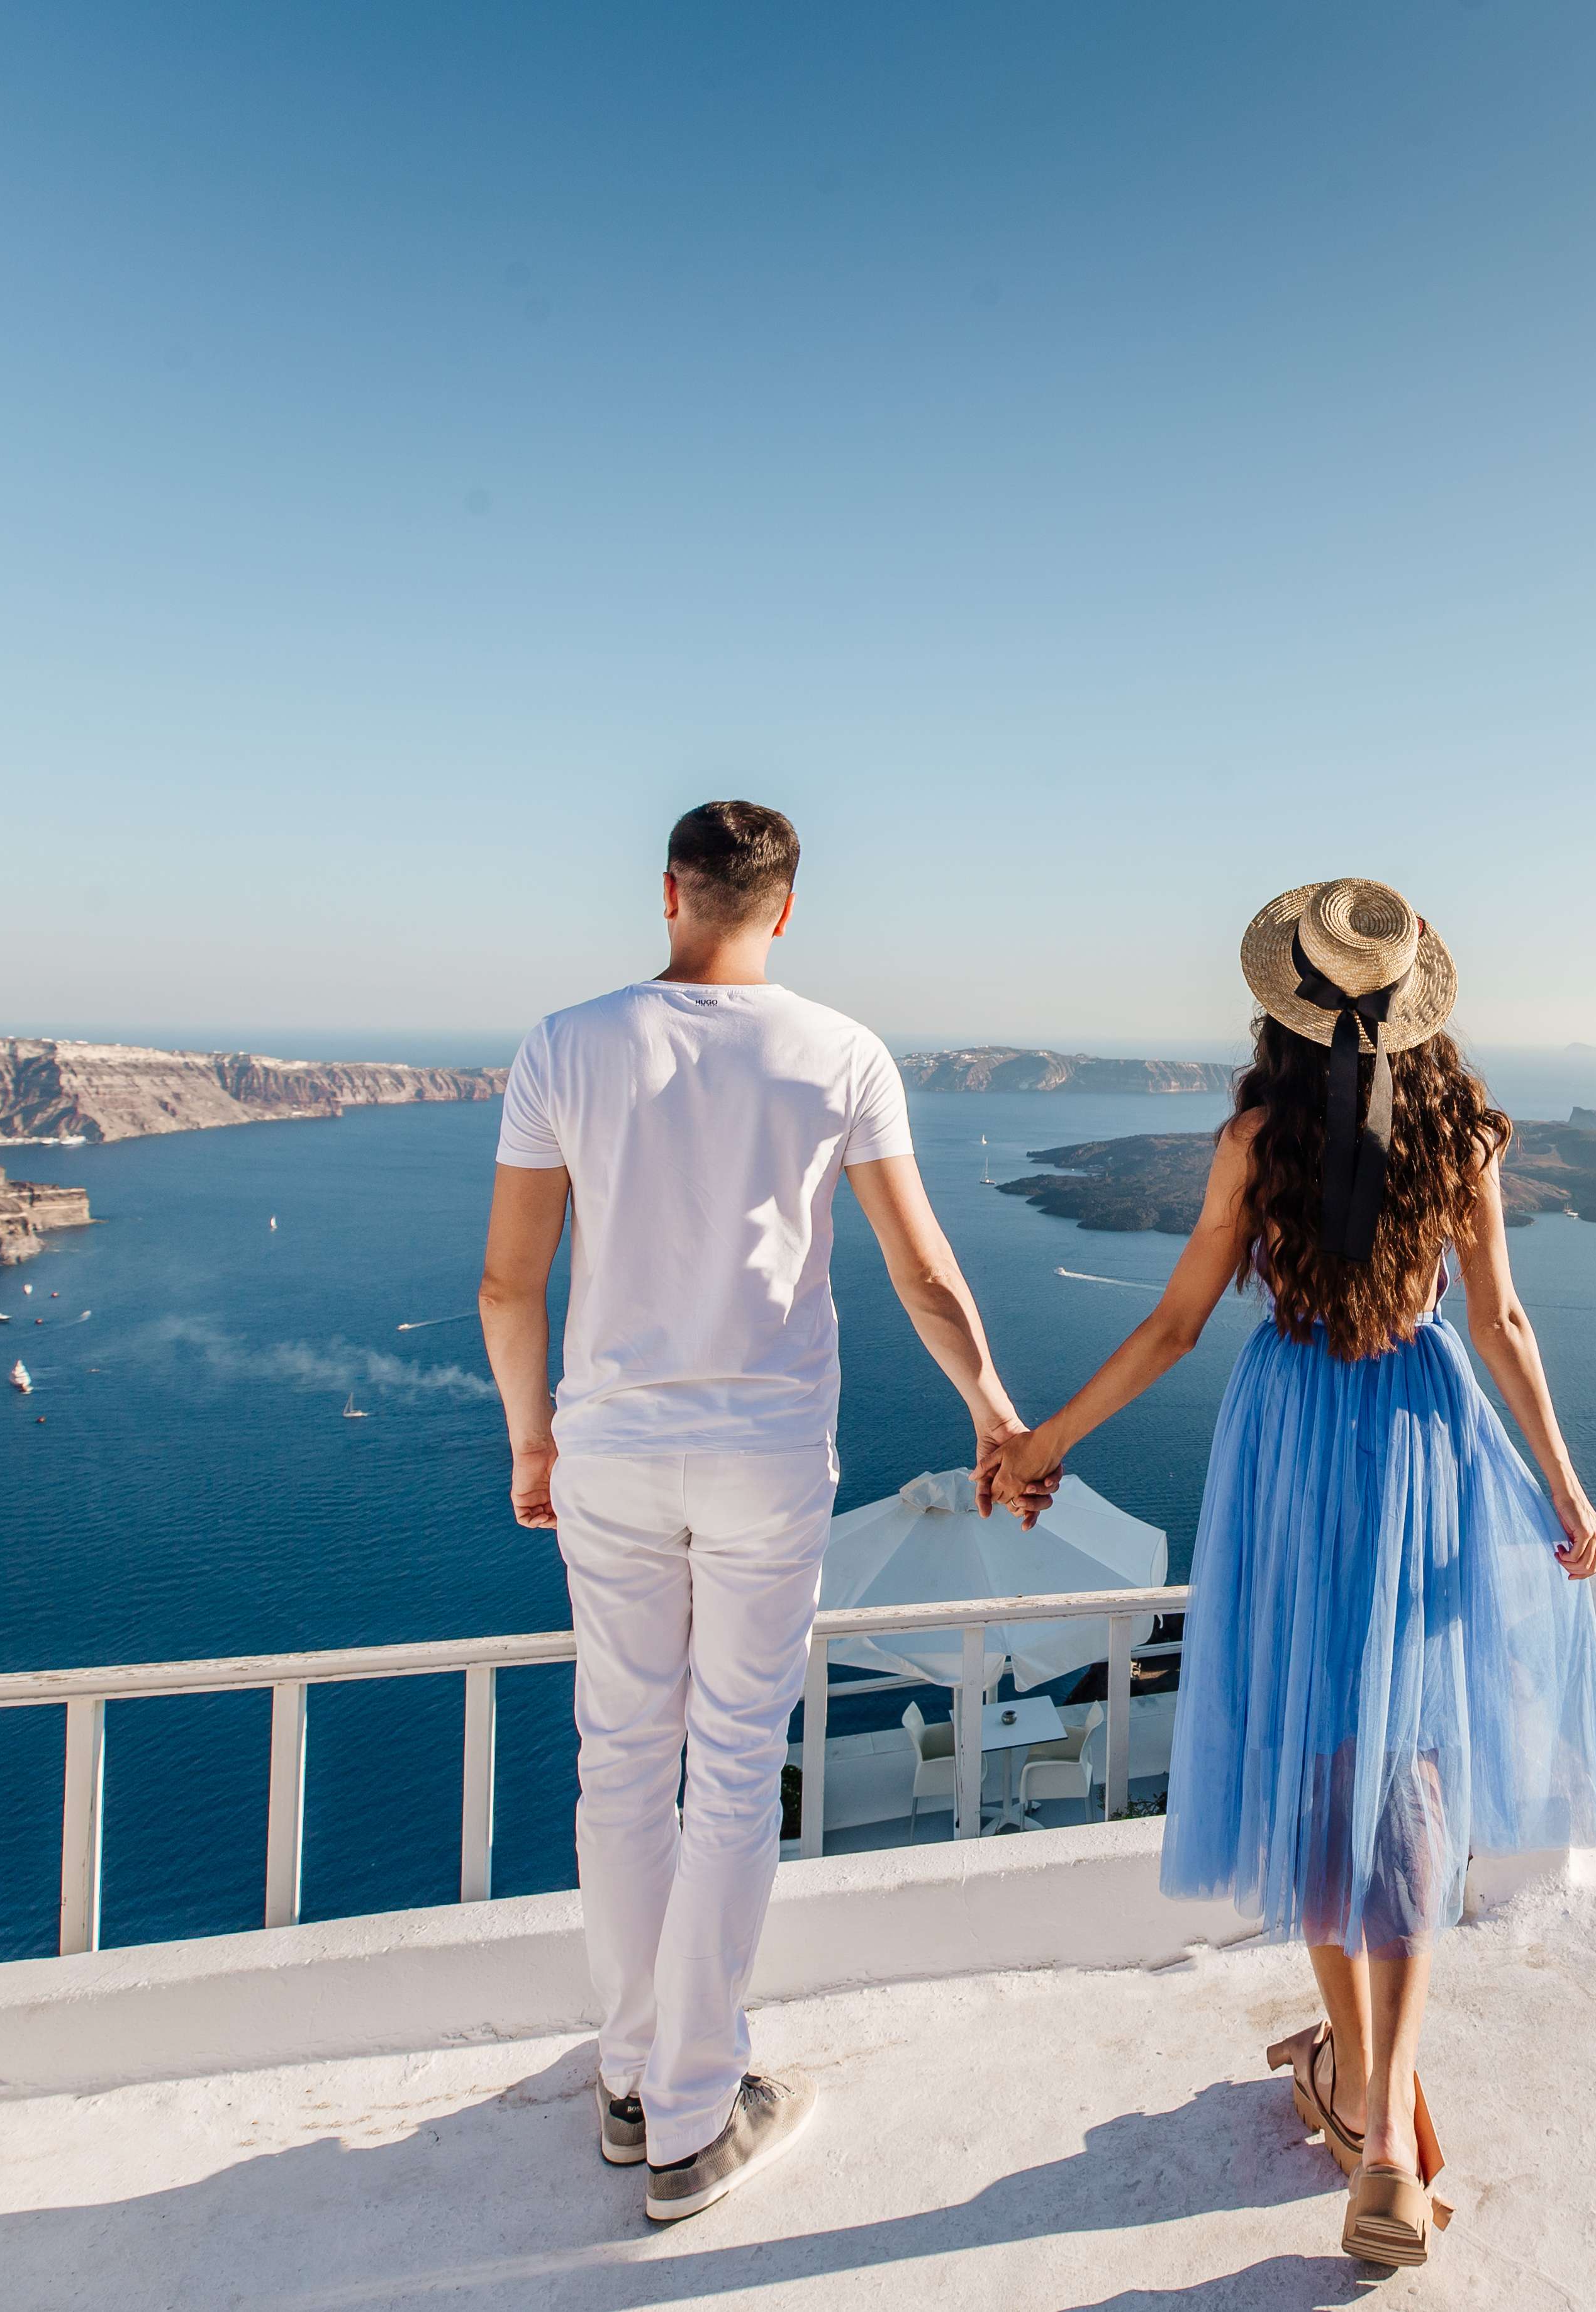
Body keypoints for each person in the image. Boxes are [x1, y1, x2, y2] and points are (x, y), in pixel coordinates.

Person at [983, 876, 1596, 2271]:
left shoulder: (1255, 1138)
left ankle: (1358, 2082)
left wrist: (1045, 1444)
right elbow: (1502, 1321)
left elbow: (1172, 1325)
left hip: (1291, 1447)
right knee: (1409, 1766)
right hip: (1421, 1446)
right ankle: (1385, 2132)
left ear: (1284, 1001)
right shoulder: (1466, 1133)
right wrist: (1567, 1489)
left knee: (1320, 1750)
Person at [479, 800, 1039, 2223]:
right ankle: (693, 2112)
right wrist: (992, 1412)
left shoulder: (562, 1045)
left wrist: (533, 1440)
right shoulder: (841, 1052)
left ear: (669, 891)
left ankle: (630, 2083)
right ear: (784, 909)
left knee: (622, 1762)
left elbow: (507, 1282)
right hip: (767, 1458)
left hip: (609, 1454)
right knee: (733, 1769)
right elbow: (922, 1272)